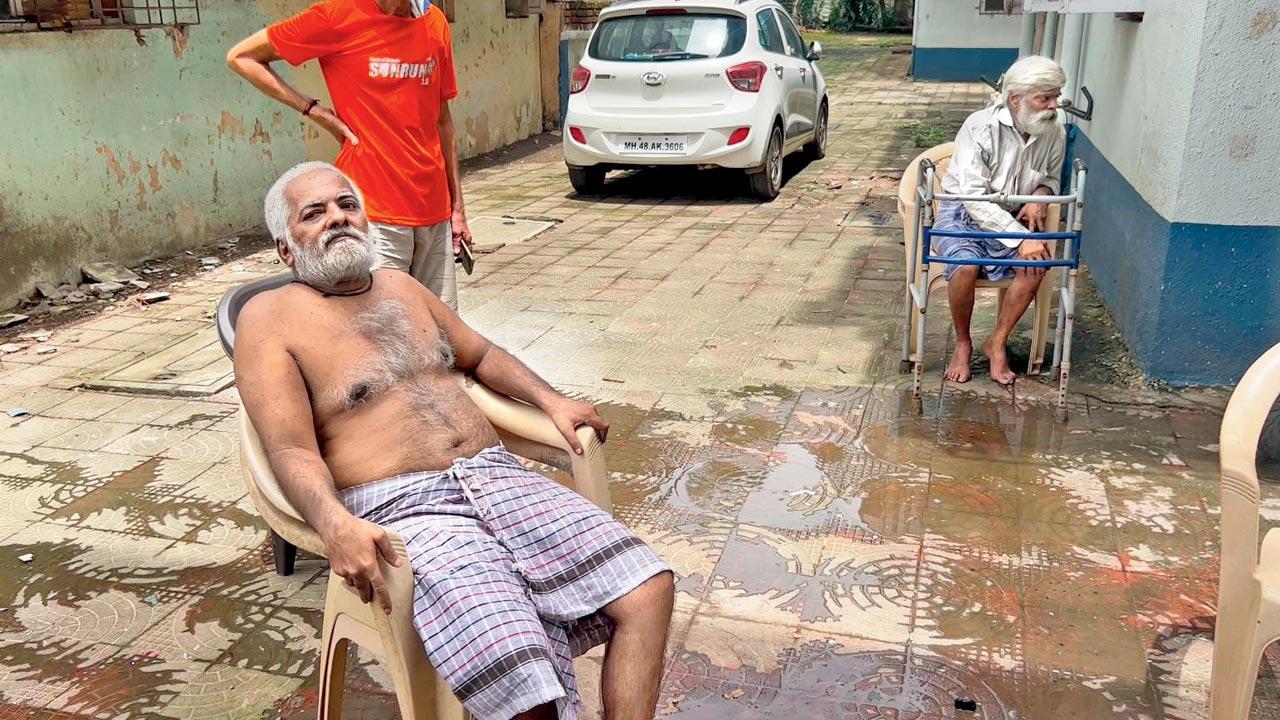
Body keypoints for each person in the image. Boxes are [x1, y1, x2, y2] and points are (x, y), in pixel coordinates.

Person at [235, 161, 674, 720]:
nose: (337, 219)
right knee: (518, 673)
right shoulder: (268, 319)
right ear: (284, 248)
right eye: (314, 213)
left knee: (647, 589)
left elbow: (482, 355)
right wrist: (333, 524)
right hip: (404, 509)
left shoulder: (401, 286)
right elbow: (291, 450)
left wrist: (552, 400)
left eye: (347, 205)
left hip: (497, 477)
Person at [226, 0, 471, 310]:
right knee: (385, 331)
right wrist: (315, 111)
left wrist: (457, 209)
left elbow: (443, 122)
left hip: (434, 212)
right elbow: (241, 57)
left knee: (442, 331)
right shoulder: (336, 16)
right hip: (374, 214)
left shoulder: (433, 22)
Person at [935, 55, 1067, 385]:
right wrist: (1020, 238)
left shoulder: (1054, 131)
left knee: (1037, 265)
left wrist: (1040, 193)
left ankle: (997, 341)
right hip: (963, 212)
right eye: (1044, 98)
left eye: (1055, 97)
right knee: (965, 267)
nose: (1053, 106)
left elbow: (1052, 176)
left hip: (1010, 215)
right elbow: (973, 198)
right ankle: (963, 343)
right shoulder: (980, 127)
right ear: (1015, 99)